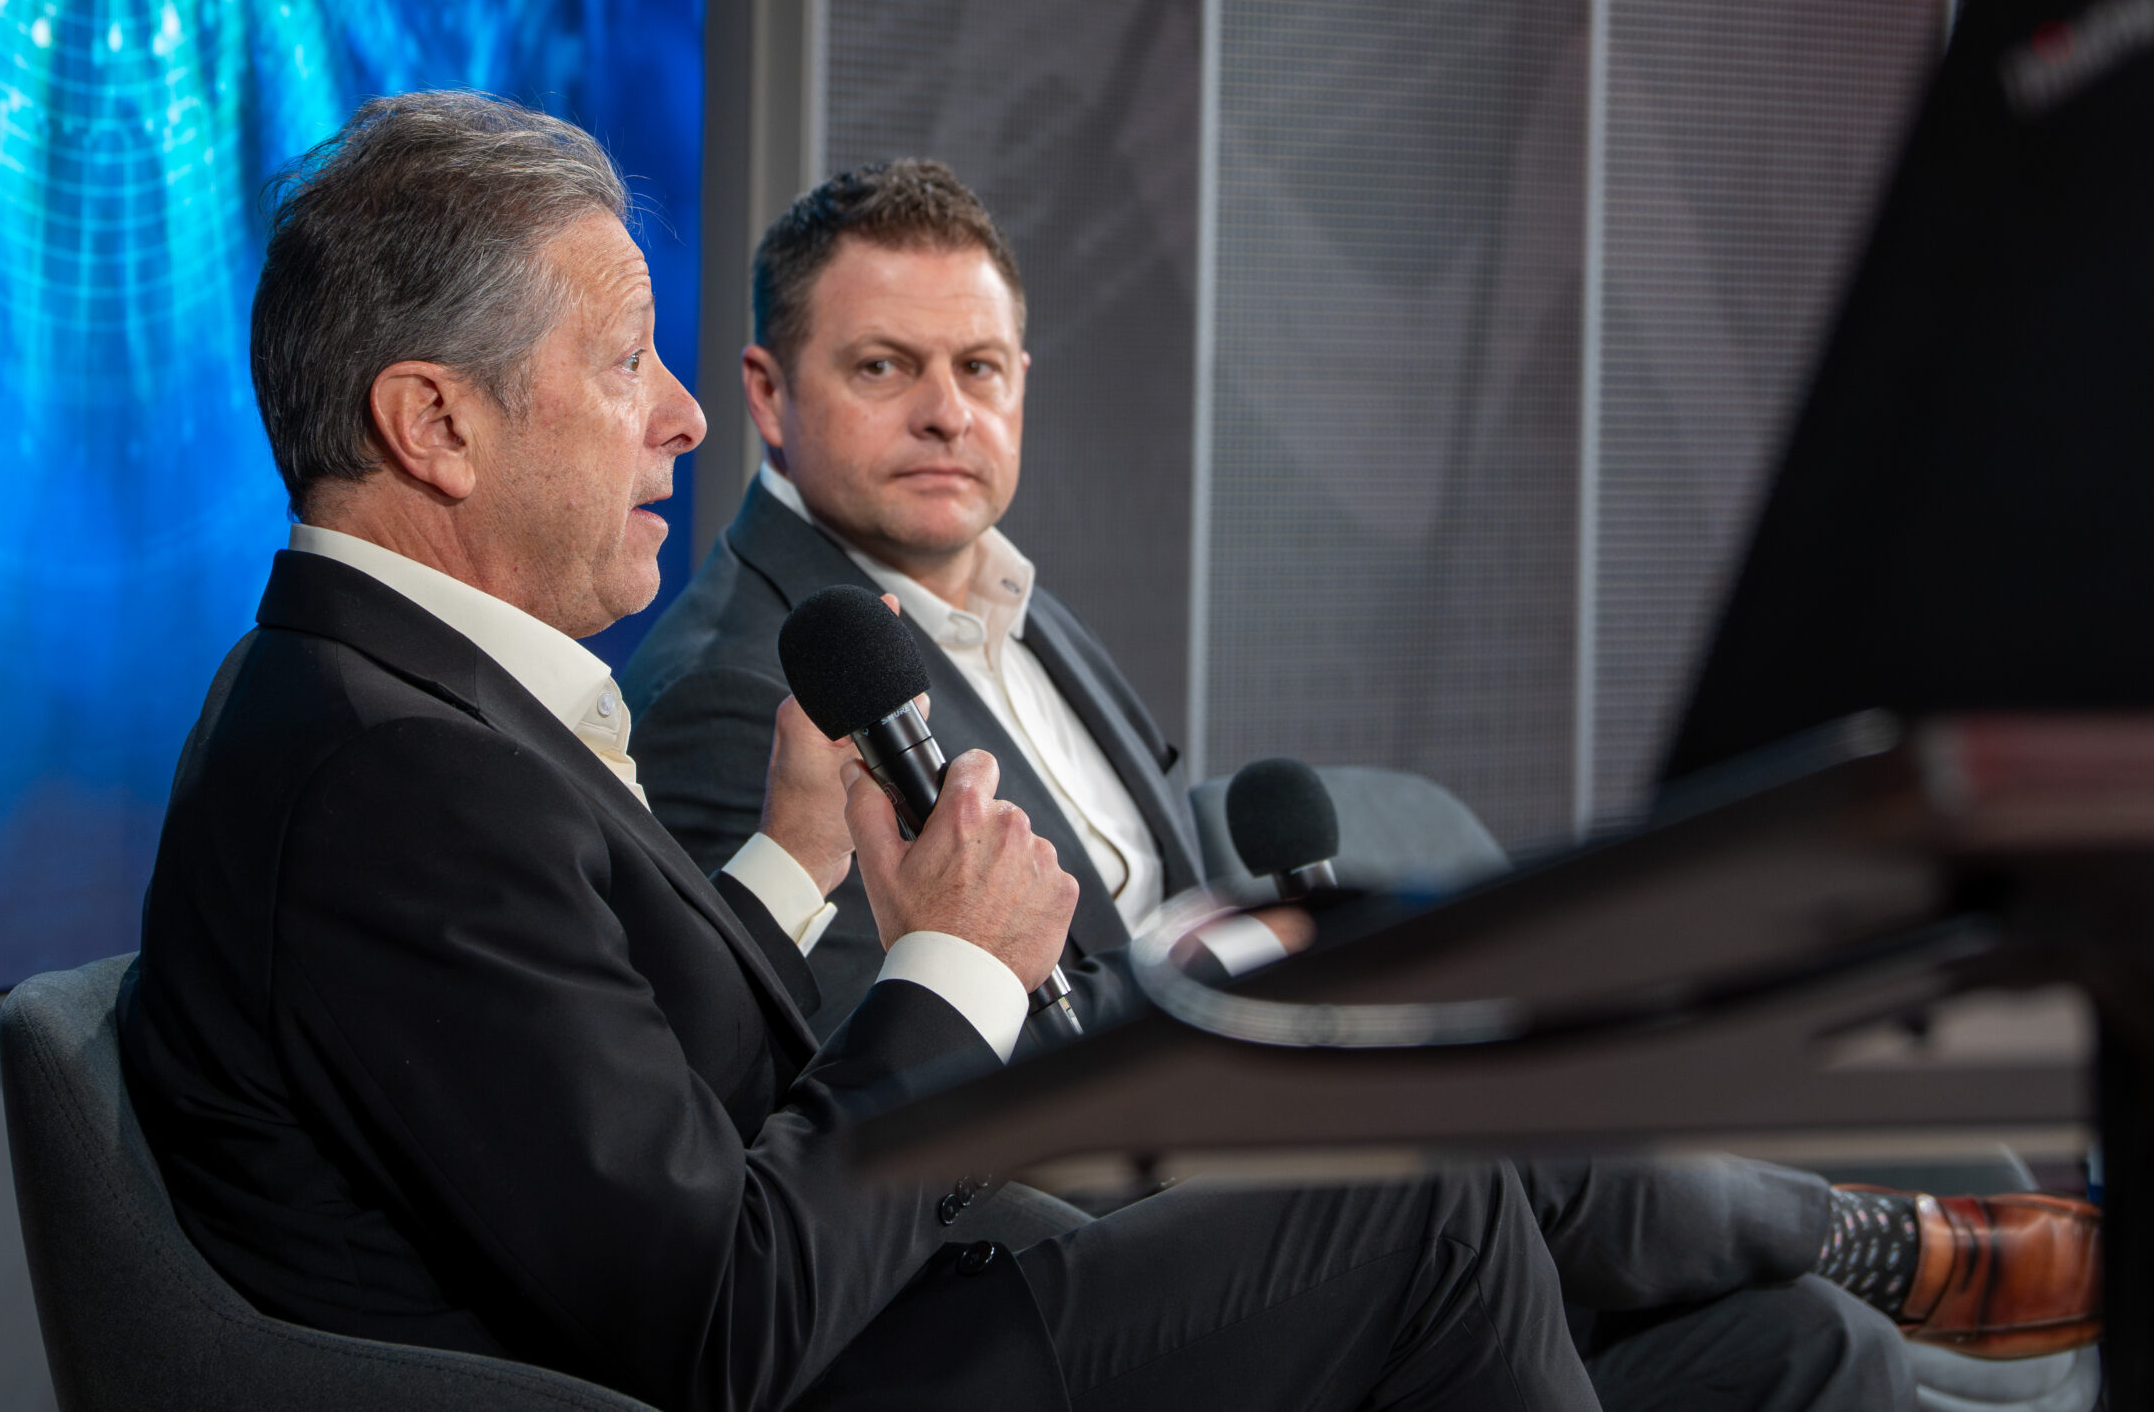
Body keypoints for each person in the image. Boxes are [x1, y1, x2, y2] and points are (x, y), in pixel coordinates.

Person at [118, 91, 1652, 1412]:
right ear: (436, 425)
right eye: (627, 362)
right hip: (807, 1368)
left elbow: (603, 1089)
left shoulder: (367, 698)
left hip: (858, 1324)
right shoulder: (392, 778)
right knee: (1431, 1216)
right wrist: (959, 966)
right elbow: (722, 1321)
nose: (682, 419)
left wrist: (791, 868)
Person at [618, 157, 2104, 1395]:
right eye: (886, 367)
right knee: (1455, 1112)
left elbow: (1170, 906)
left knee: (1803, 1354)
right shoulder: (742, 690)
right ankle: (1865, 1238)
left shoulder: (1017, 605)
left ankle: (1837, 1261)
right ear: (769, 392)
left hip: (1257, 1142)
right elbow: (874, 1071)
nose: (948, 411)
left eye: (980, 369)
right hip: (1112, 1235)